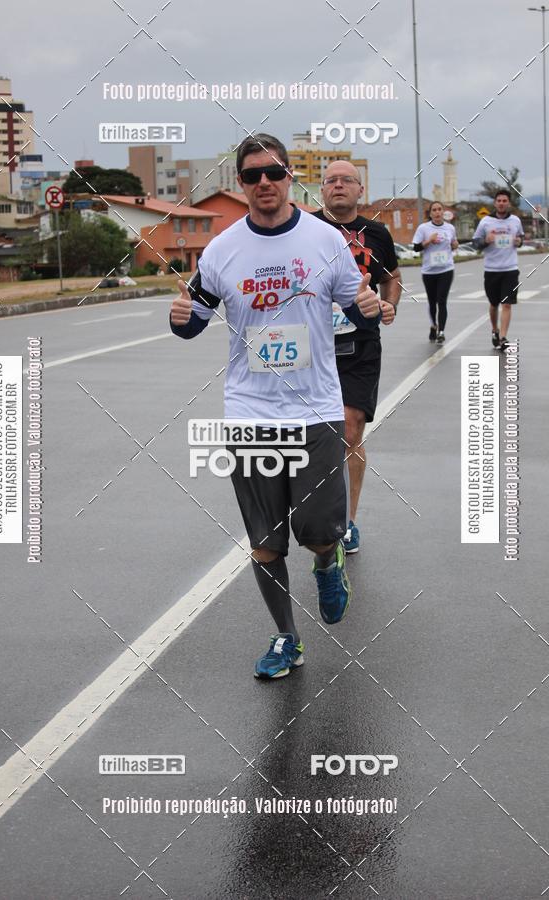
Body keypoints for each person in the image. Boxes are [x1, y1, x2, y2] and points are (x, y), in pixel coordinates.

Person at [170, 134, 380, 679]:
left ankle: (328, 558)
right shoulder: (222, 249)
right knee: (265, 543)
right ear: (240, 185)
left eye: (272, 173)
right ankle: (287, 638)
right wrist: (183, 319)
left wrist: (369, 308)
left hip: (315, 410)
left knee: (315, 529)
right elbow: (195, 318)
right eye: (251, 176)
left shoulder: (324, 240)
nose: (263, 183)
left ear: (289, 178)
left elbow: (358, 312)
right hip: (250, 414)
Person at [312, 160, 400, 554]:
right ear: (322, 189)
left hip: (359, 346)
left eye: (347, 180)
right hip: (311, 347)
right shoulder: (304, 230)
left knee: (349, 430)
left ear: (360, 190)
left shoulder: (377, 233)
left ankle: (346, 521)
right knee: (314, 437)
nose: (339, 185)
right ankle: (315, 506)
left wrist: (388, 305)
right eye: (331, 180)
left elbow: (391, 277)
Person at [472, 189, 524, 352]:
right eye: (499, 200)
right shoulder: (486, 222)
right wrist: (486, 240)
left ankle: (503, 337)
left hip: (510, 269)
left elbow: (521, 238)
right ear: (495, 203)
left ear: (509, 203)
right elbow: (475, 243)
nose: (502, 203)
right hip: (491, 269)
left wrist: (518, 241)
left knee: (507, 304)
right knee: (494, 304)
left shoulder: (515, 221)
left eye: (504, 201)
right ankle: (494, 330)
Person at [412, 201, 459, 344]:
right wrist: (428, 241)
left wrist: (455, 245)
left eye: (440, 209)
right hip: (429, 271)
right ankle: (433, 325)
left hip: (446, 269)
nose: (437, 212)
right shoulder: (424, 228)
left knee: (442, 301)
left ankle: (441, 331)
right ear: (430, 213)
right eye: (434, 210)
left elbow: (454, 244)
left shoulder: (450, 228)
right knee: (432, 302)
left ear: (443, 212)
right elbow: (416, 248)